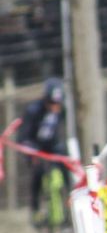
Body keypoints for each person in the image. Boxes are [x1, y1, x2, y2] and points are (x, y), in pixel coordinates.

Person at [20, 77, 71, 219]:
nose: (55, 107)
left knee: (66, 162)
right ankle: (35, 207)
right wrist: (31, 154)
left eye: (58, 104)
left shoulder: (61, 111)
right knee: (38, 172)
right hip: (34, 146)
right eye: (52, 103)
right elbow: (24, 136)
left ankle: (70, 195)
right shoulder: (33, 111)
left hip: (52, 145)